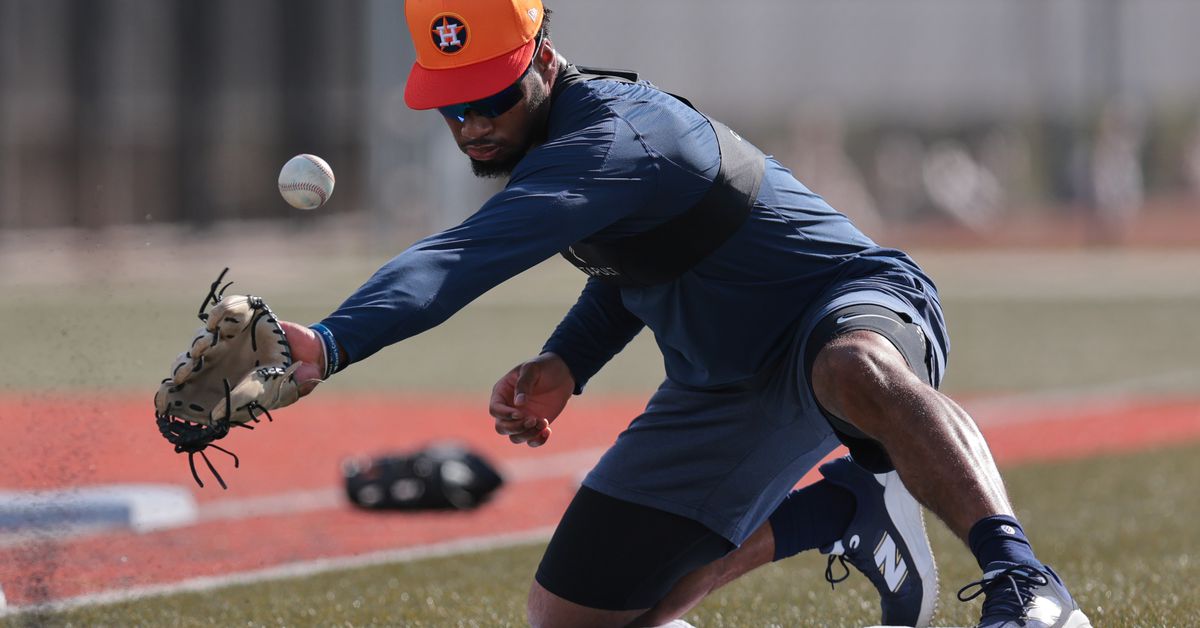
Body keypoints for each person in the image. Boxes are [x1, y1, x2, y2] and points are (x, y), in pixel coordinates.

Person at [279, 2, 1092, 627]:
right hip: (726, 382)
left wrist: (330, 343)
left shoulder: (612, 137)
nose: (473, 126)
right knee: (571, 617)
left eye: (491, 97)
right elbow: (638, 260)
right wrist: (570, 360)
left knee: (849, 368)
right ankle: (844, 509)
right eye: (452, 107)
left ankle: (1027, 582)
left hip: (843, 305)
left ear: (547, 61)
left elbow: (460, 258)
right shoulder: (558, 148)